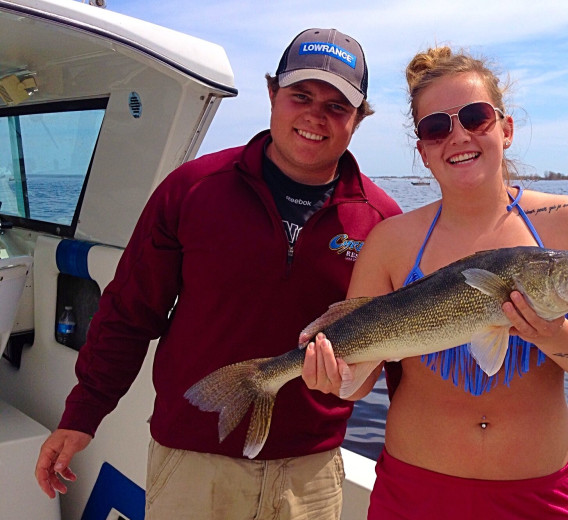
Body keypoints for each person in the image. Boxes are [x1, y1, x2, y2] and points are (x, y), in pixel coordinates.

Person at [34, 28, 401, 519]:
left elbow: (404, 355)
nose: (316, 115)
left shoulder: (382, 220)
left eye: (338, 106)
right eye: (301, 96)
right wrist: (82, 415)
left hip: (310, 473)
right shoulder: (192, 190)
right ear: (272, 95)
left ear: (358, 118)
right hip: (192, 460)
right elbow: (128, 312)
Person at [302, 46, 568, 519]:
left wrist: (554, 332)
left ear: (506, 127)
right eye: (435, 127)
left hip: (536, 499)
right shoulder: (392, 240)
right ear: (421, 150)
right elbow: (360, 381)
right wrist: (336, 379)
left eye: (476, 117)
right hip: (412, 494)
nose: (457, 136)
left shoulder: (566, 222)